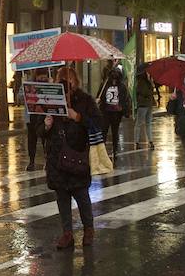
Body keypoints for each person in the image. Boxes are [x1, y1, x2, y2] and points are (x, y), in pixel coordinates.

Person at [44, 66, 100, 249]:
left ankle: (88, 230)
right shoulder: (51, 101)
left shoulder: (85, 100)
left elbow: (97, 124)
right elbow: (38, 131)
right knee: (62, 198)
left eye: (69, 80)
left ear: (76, 81)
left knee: (82, 196)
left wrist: (78, 117)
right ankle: (67, 233)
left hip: (77, 156)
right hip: (57, 158)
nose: (66, 83)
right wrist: (46, 125)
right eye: (61, 80)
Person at [98, 65, 131, 153]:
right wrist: (99, 100)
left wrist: (123, 108)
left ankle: (115, 149)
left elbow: (125, 98)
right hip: (106, 111)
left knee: (115, 131)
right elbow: (100, 96)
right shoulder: (105, 85)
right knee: (104, 130)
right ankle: (102, 150)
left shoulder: (122, 86)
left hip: (116, 113)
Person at [24, 68, 51, 171]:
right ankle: (31, 161)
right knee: (32, 140)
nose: (42, 78)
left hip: (45, 115)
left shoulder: (49, 84)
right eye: (40, 76)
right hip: (32, 116)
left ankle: (47, 160)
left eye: (44, 76)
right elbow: (20, 97)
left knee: (46, 139)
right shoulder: (29, 84)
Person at [133, 66, 158, 150]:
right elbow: (145, 93)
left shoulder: (146, 81)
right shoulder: (142, 82)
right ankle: (137, 142)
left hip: (147, 104)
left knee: (147, 123)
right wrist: (151, 85)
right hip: (143, 105)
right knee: (139, 124)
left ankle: (150, 141)